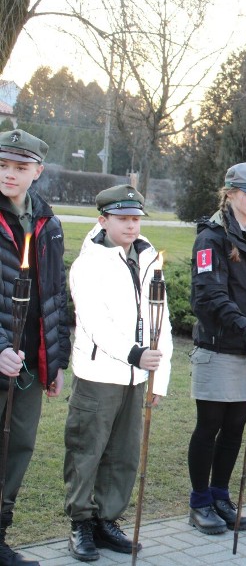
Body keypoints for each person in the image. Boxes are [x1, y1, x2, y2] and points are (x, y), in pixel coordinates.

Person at [64, 185, 173, 561]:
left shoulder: (148, 258)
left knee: (124, 454)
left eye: (136, 218)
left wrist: (158, 375)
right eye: (123, 218)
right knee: (86, 451)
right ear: (103, 220)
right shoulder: (88, 263)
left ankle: (107, 520)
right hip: (99, 373)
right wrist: (134, 354)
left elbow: (163, 320)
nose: (131, 225)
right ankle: (80, 522)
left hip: (138, 375)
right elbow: (94, 321)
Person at [187, 163, 246, 535]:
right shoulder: (211, 237)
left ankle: (221, 495)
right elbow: (210, 296)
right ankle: (199, 502)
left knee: (235, 428)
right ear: (229, 193)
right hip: (219, 345)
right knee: (209, 426)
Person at [0, 129, 69, 566]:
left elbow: (56, 295)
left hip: (27, 361)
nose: (9, 174)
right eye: (3, 165)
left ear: (37, 172)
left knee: (17, 447)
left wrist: (55, 358)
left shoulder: (48, 222)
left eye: (20, 167)